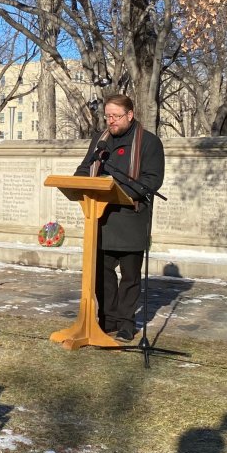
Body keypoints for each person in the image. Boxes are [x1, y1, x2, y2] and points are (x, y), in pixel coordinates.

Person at [74, 94, 165, 342]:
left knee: (130, 276)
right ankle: (108, 319)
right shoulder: (99, 141)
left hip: (131, 218)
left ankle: (126, 323)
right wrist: (79, 180)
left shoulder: (149, 142)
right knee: (101, 274)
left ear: (130, 115)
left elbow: (151, 180)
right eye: (108, 116)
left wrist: (118, 190)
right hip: (102, 219)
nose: (111, 121)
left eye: (115, 116)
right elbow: (84, 169)